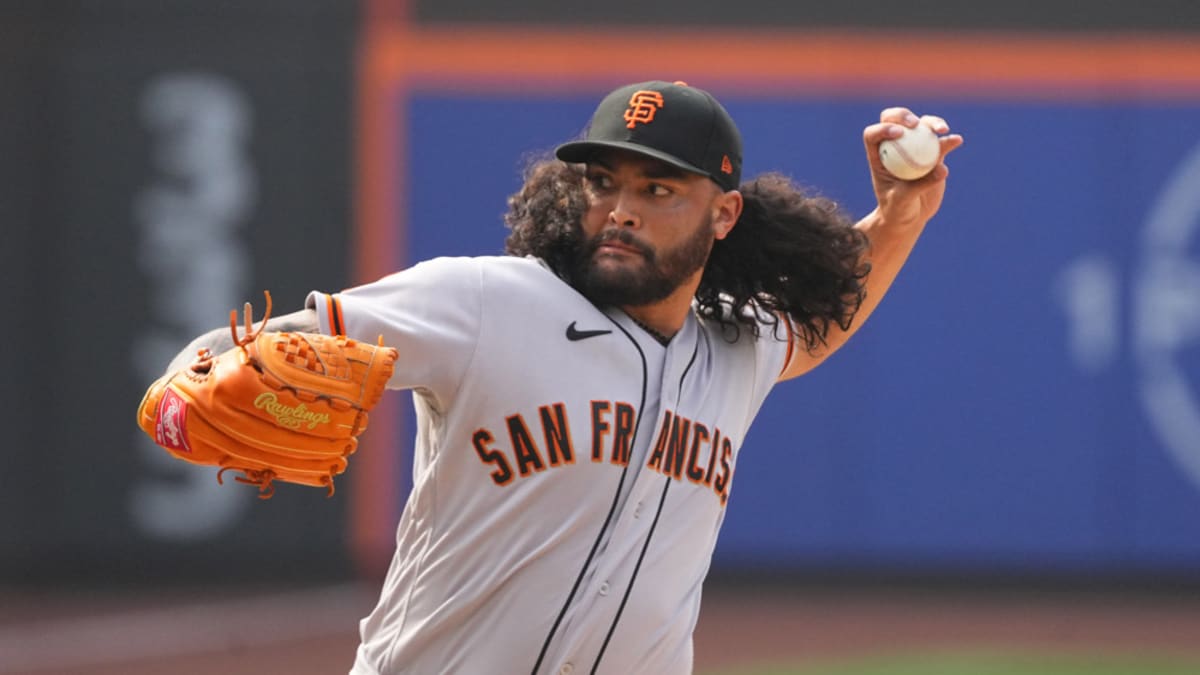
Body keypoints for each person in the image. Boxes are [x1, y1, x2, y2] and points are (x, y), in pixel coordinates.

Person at [164, 80, 962, 674]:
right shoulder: (484, 301)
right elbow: (232, 353)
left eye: (658, 190)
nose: (621, 208)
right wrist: (182, 393)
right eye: (604, 182)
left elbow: (815, 327)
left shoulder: (733, 349)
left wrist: (901, 215)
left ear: (722, 217)